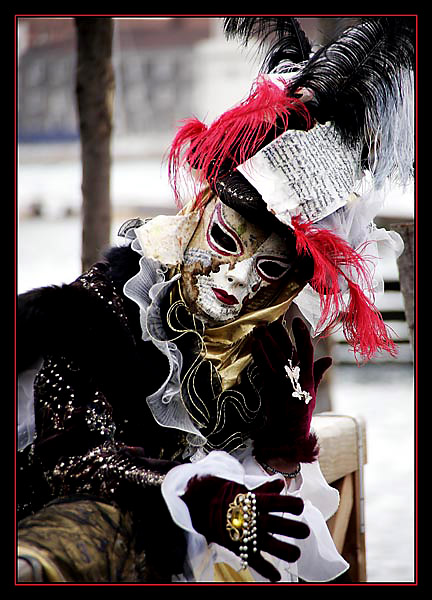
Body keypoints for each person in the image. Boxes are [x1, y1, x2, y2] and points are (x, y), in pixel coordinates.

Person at [17, 17, 414, 584]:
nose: (235, 278)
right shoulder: (99, 312)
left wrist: (281, 447)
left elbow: (276, 493)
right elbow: (71, 461)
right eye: (226, 240)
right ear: (197, 213)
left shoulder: (271, 351)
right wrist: (191, 494)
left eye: (270, 269)